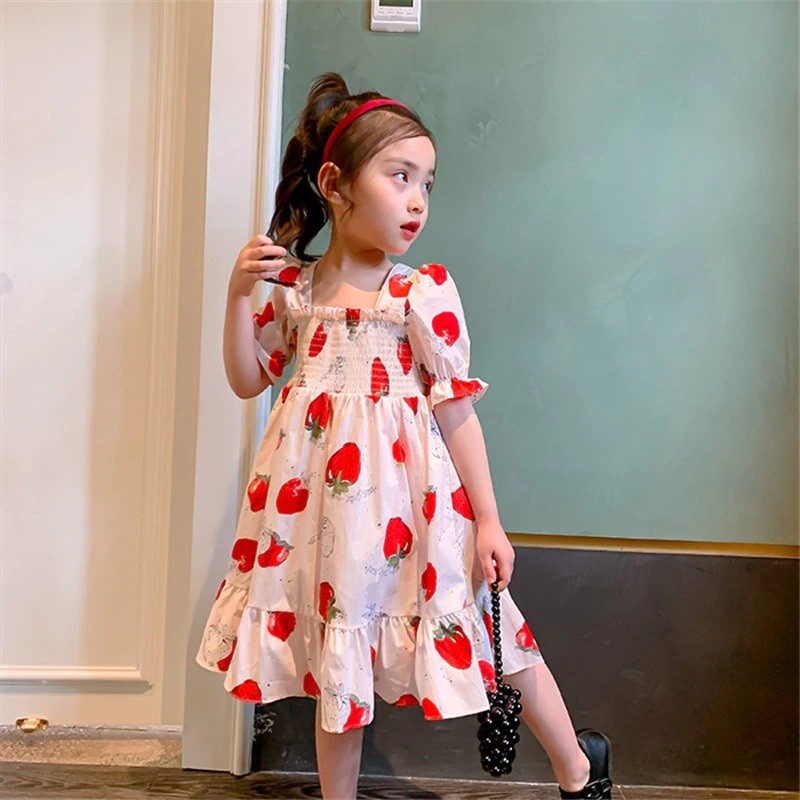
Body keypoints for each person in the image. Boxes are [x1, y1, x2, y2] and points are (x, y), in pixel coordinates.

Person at [195, 72, 613, 800]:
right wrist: (237, 295)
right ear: (335, 183)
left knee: (491, 629)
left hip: (412, 509)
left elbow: (456, 410)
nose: (418, 199)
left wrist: (489, 520)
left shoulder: (419, 294)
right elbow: (245, 377)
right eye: (400, 176)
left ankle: (578, 766)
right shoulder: (296, 292)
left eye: (427, 183)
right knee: (339, 652)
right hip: (318, 516)